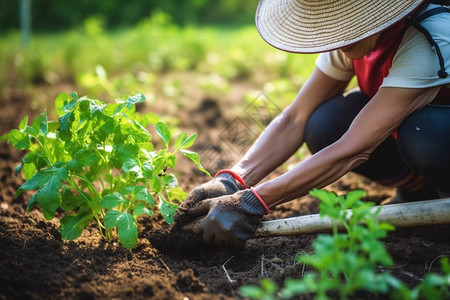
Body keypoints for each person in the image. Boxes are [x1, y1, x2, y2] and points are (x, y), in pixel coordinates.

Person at [174, 0, 450, 246]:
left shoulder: (431, 34)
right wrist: (232, 181)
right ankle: (418, 190)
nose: (337, 37)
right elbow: (295, 117)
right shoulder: (350, 36)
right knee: (326, 123)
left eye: (347, 21)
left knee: (426, 135)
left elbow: (354, 148)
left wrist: (254, 202)